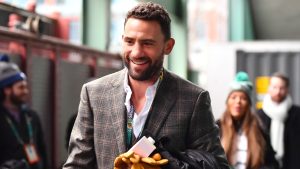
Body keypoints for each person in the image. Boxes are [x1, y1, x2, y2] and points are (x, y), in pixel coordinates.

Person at [63, 2, 229, 169]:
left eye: (147, 43)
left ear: (168, 46)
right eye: (129, 41)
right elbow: (77, 165)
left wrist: (170, 164)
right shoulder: (94, 94)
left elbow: (218, 165)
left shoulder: (193, 99)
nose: (136, 52)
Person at [217, 72, 278, 169]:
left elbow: (272, 162)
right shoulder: (216, 128)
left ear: (249, 104)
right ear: (227, 102)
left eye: (243, 98)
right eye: (233, 97)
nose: (238, 102)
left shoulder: (259, 128)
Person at [0, 57, 47, 169]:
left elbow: (42, 149)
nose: (25, 91)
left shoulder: (31, 116)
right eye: (21, 87)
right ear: (7, 90)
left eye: (26, 87)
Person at [257, 72, 300, 169]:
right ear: (269, 88)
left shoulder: (296, 114)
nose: (278, 91)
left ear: (287, 90)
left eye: (282, 88)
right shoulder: (259, 115)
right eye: (274, 87)